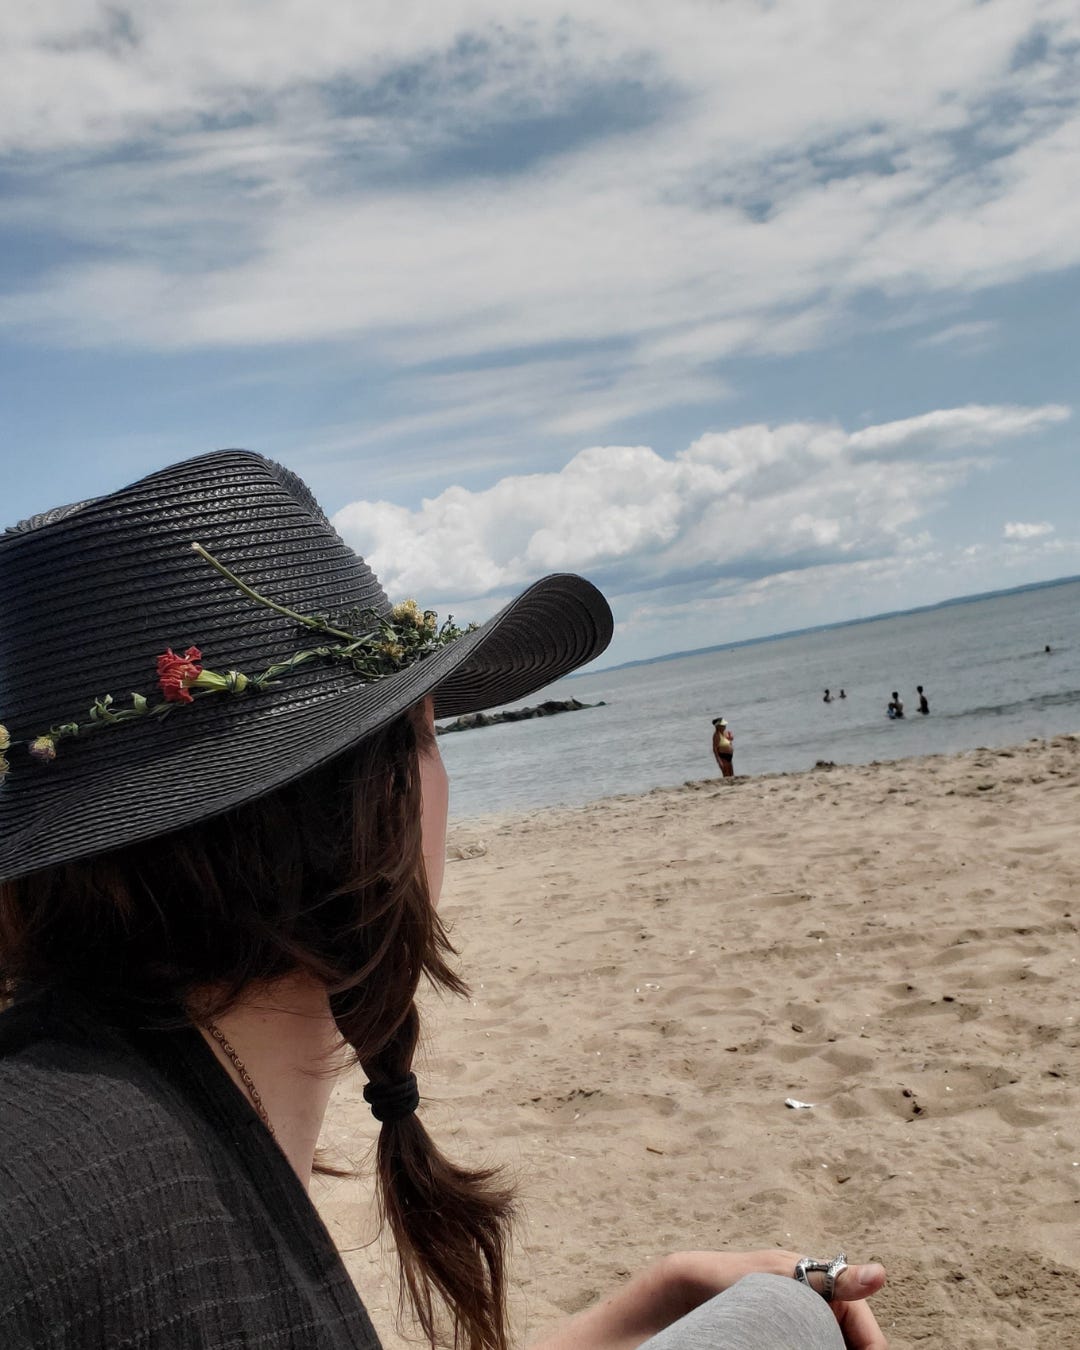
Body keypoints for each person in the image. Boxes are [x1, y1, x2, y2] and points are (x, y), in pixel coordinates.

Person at [0, 451, 886, 1350]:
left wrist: (638, 1309)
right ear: (365, 804)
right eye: (426, 731)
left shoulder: (121, 1116)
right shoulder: (82, 1210)